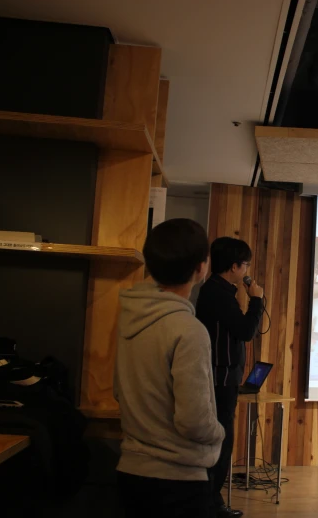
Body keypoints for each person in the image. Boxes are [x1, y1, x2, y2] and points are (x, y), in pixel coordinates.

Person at [114, 219, 225, 518]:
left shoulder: (129, 315)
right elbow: (194, 421)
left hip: (130, 471)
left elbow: (117, 390)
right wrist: (220, 433)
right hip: (178, 482)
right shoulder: (188, 330)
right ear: (201, 268)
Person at [195, 237, 264, 518]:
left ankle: (211, 502)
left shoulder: (217, 290)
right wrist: (257, 299)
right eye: (245, 264)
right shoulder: (219, 294)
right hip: (221, 379)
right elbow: (245, 331)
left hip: (221, 377)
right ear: (235, 266)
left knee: (220, 441)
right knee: (222, 442)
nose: (247, 269)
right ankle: (211, 505)